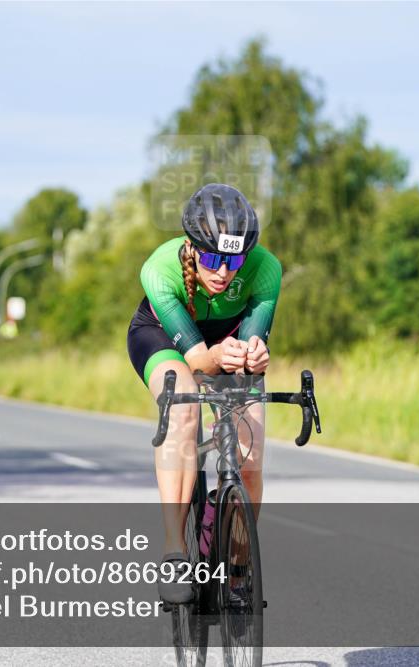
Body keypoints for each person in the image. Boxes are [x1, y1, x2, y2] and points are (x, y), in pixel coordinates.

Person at [126, 183, 282, 603]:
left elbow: (249, 344)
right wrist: (215, 358)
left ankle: (237, 565)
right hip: (166, 341)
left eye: (234, 261)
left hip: (225, 341)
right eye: (212, 258)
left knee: (250, 454)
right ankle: (175, 549)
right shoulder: (160, 268)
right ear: (192, 248)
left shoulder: (267, 269)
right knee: (183, 410)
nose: (223, 272)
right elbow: (197, 360)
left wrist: (255, 356)